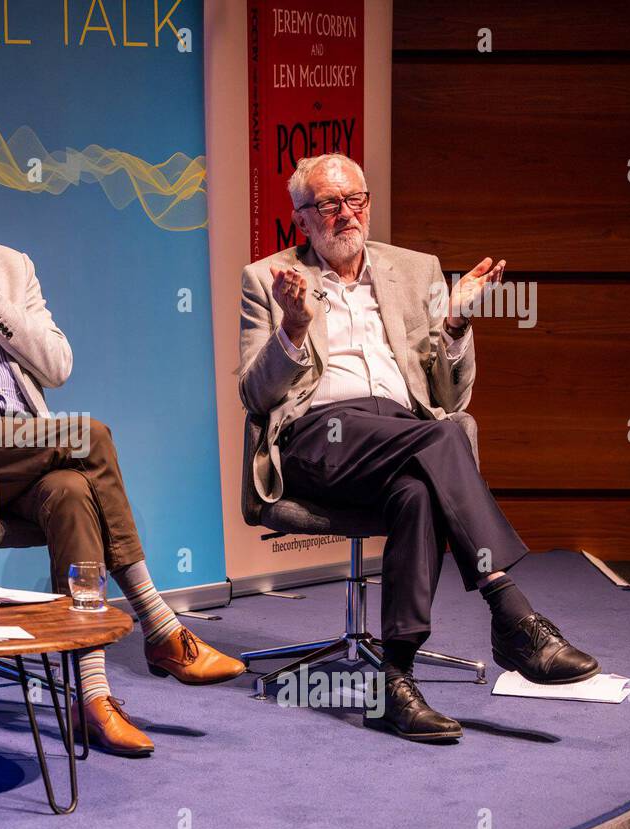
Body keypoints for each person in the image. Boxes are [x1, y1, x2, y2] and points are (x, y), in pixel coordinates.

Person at [0, 129, 245, 757]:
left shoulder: (10, 265)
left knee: (72, 488)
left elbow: (56, 366)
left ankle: (92, 695)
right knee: (88, 436)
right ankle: (159, 624)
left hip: (20, 445)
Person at [238, 152, 600, 743]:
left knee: (416, 493)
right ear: (302, 218)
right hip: (320, 436)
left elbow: (450, 392)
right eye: (329, 205)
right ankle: (511, 613)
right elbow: (255, 395)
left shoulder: (416, 270)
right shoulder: (269, 278)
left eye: (356, 201)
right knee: (445, 436)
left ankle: (396, 683)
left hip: (403, 433)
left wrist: (456, 326)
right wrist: (293, 328)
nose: (346, 214)